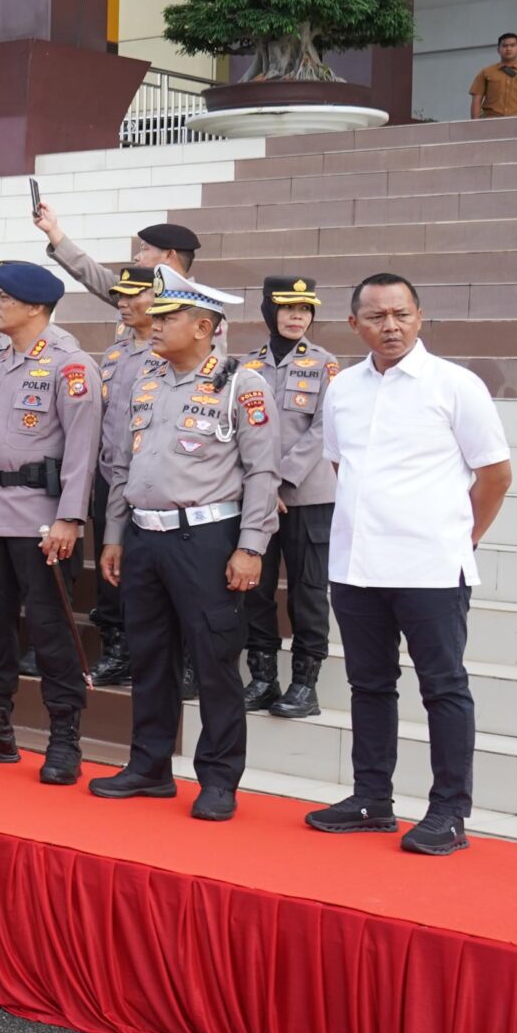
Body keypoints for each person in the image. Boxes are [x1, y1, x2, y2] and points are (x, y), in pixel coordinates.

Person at [307, 273, 514, 855]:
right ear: (355, 324)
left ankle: (449, 811)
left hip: (431, 567)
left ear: (420, 317)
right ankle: (372, 798)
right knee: (369, 684)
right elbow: (342, 467)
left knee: (443, 688)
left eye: (401, 314)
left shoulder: (456, 385)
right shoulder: (343, 389)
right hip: (356, 566)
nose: (390, 326)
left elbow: (496, 476)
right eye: (376, 316)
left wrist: (462, 539)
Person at [94, 271, 279, 820]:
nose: (154, 324)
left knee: (215, 662)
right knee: (149, 655)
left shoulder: (241, 384)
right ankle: (149, 766)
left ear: (203, 328)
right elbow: (122, 465)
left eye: (168, 317)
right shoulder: (145, 380)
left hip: (207, 538)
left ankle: (219, 779)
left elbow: (263, 471)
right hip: (144, 535)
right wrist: (114, 535)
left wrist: (251, 547)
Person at [0, 260, 99, 784]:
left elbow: (83, 450)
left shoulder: (70, 365)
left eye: (4, 298)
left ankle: (64, 739)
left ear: (35, 307)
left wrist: (70, 517)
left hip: (41, 521)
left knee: (51, 631)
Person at [239, 277, 340, 716]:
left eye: (305, 309)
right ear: (269, 310)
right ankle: (263, 679)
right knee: (256, 588)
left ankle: (304, 685)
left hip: (307, 496)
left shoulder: (325, 364)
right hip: (257, 497)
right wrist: (261, 485)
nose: (297, 316)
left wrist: (278, 480)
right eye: (287, 308)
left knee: (308, 590)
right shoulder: (246, 366)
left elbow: (324, 428)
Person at [86, 266, 161, 687]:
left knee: (148, 569)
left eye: (136, 295)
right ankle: (116, 650)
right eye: (122, 296)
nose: (125, 303)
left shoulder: (168, 350)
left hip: (151, 478)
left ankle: (153, 653)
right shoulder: (114, 354)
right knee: (110, 566)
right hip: (109, 474)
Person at [32, 204, 202, 300]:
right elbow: (90, 272)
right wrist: (52, 230)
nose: (136, 257)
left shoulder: (198, 305)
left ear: (169, 255)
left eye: (144, 249)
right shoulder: (131, 292)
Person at [469, 32, 517, 119]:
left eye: (512, 45)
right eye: (504, 46)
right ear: (498, 50)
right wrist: (475, 123)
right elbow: (477, 99)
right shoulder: (486, 72)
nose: (508, 49)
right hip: (491, 120)